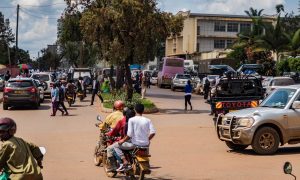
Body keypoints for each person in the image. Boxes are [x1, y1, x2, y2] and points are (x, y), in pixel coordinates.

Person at [115, 103, 156, 170]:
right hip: (145, 145)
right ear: (143, 111)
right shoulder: (148, 120)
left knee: (116, 146)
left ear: (135, 110)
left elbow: (129, 134)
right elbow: (153, 132)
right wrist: (147, 140)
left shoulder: (132, 120)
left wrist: (122, 140)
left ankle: (125, 161)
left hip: (135, 145)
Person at [105, 107, 136, 172]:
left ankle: (114, 166)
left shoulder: (123, 122)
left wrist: (109, 134)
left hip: (128, 142)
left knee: (110, 148)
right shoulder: (137, 121)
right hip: (139, 143)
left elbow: (115, 131)